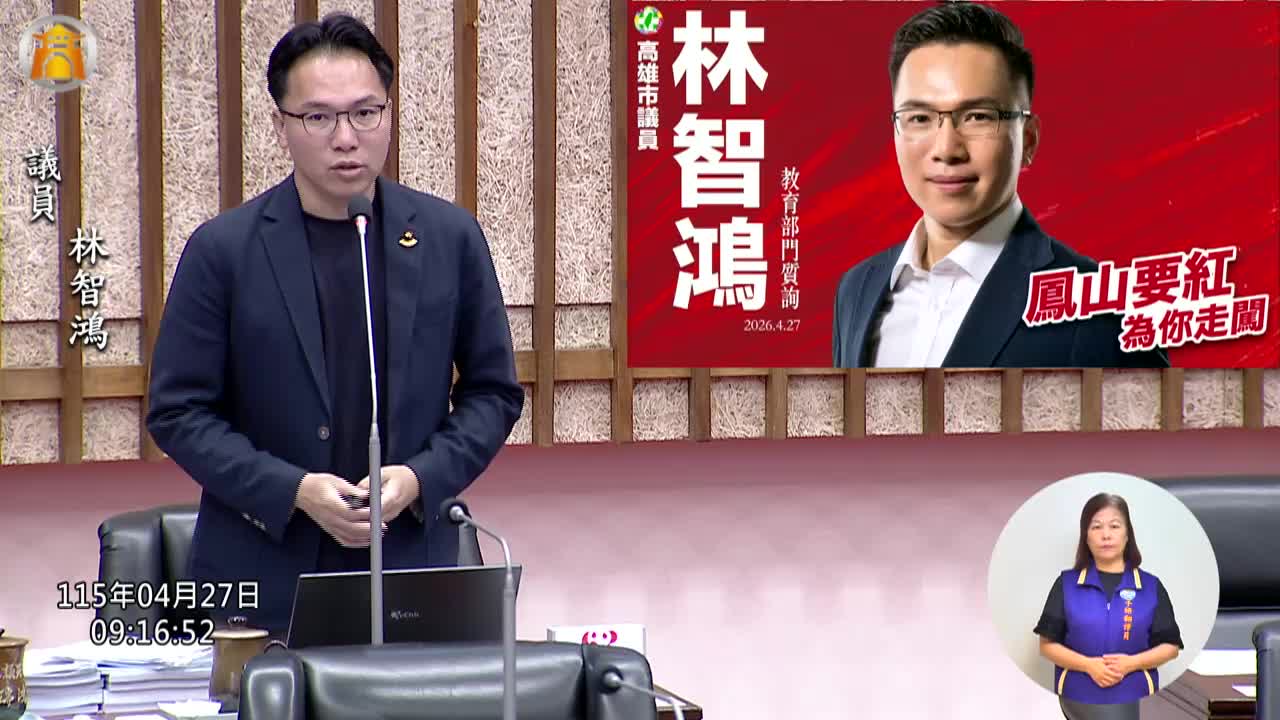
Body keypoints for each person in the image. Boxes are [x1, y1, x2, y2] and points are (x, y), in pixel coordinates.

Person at [146, 13, 524, 635]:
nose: (346, 138)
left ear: (389, 114)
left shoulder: (448, 238)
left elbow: (493, 392)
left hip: (410, 565)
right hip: (263, 573)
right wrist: (294, 489)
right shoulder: (224, 250)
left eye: (365, 113)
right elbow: (178, 412)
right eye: (319, 117)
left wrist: (419, 478)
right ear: (282, 126)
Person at [831, 2, 1169, 368]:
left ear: (1029, 140)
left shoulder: (1099, 312)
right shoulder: (857, 290)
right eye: (920, 118)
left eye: (978, 116)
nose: (947, 149)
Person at [1033, 493, 1183, 720]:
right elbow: (1047, 646)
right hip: (1079, 692)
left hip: (1137, 694)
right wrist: (1088, 666)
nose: (1106, 535)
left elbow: (1170, 647)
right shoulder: (1066, 584)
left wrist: (1130, 664)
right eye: (1096, 527)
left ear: (1127, 535)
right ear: (1086, 537)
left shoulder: (1151, 586)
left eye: (1114, 526)